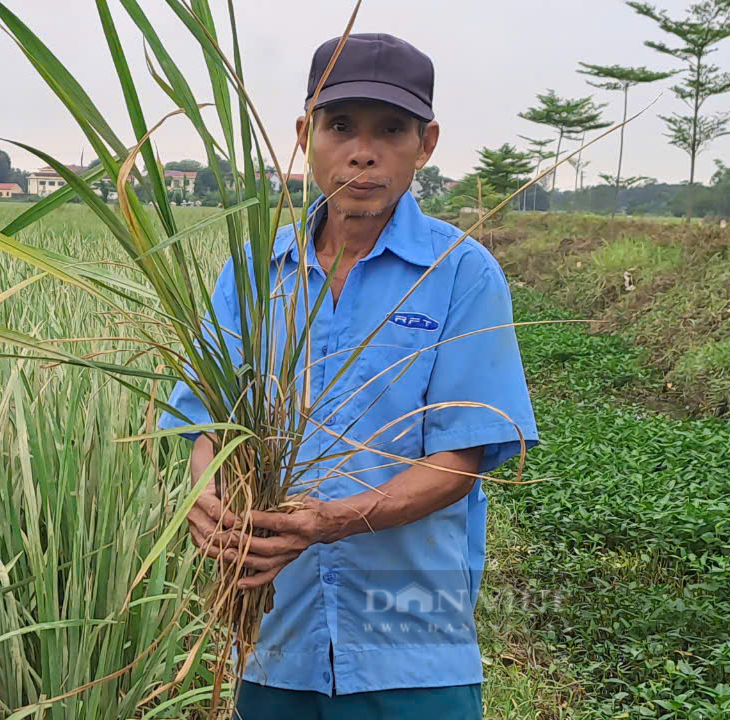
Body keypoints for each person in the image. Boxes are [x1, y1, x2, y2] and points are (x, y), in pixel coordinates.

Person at [158, 33, 540, 720]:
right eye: (341, 126)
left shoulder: (460, 273)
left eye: (390, 130)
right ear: (306, 134)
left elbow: (462, 458)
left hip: (411, 642)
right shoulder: (253, 273)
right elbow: (211, 422)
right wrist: (206, 498)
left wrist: (329, 522)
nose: (363, 152)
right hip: (274, 634)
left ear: (425, 143)